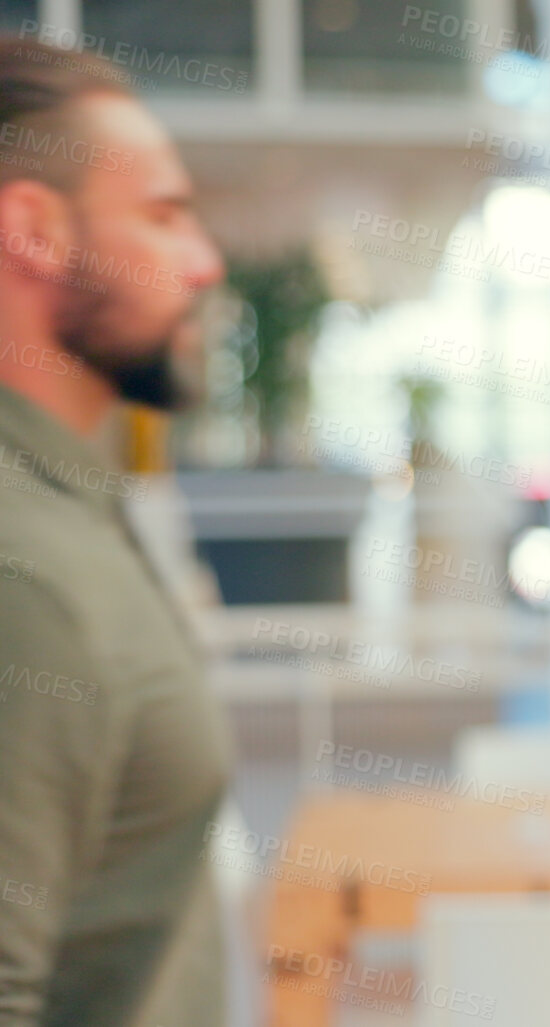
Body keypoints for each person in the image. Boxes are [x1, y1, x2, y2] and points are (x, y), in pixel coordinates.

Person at [0, 38, 231, 1027]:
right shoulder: (27, 576)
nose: (203, 261)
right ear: (35, 229)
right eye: (162, 214)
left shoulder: (68, 504)